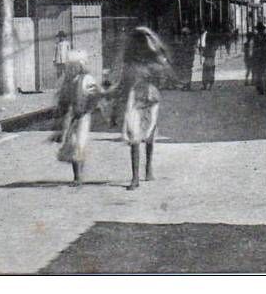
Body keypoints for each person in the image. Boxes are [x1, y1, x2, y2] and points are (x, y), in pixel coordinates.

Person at [109, 26, 175, 191]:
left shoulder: (146, 63)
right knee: (138, 138)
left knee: (143, 136)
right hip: (141, 100)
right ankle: (139, 174)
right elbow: (122, 86)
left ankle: (142, 172)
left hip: (145, 100)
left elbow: (165, 76)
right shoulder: (135, 64)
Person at [51, 51, 102, 187]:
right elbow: (63, 99)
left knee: (80, 143)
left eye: (75, 66)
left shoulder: (87, 79)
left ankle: (79, 176)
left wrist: (87, 109)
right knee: (72, 143)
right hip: (71, 115)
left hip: (83, 115)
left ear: (81, 66)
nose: (72, 68)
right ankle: (76, 176)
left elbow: (94, 96)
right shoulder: (67, 81)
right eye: (70, 66)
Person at [251, 22, 266, 94]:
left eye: (260, 29)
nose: (260, 31)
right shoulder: (263, 36)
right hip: (263, 56)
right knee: (263, 73)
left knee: (262, 73)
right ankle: (263, 88)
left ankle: (264, 87)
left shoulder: (263, 37)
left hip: (263, 56)